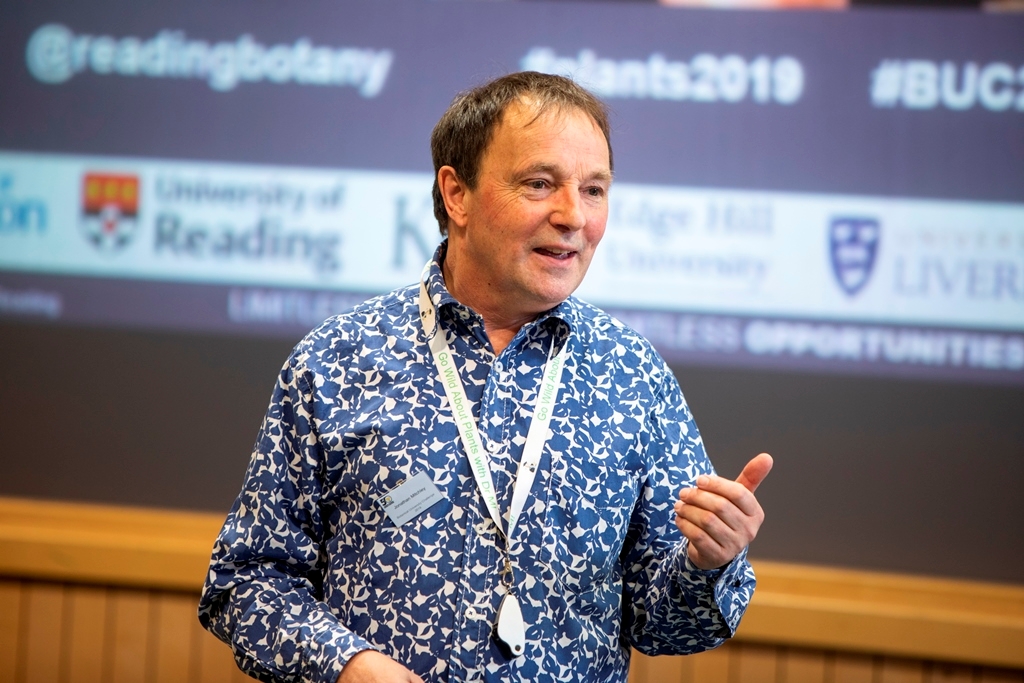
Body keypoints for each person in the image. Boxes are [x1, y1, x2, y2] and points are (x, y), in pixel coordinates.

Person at [199, 71, 773, 683]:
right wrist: (346, 666)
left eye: (594, 189)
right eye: (539, 184)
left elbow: (666, 624)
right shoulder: (337, 360)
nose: (573, 216)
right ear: (457, 194)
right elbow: (245, 582)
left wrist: (708, 562)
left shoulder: (633, 376)